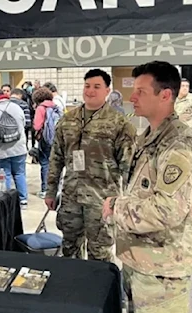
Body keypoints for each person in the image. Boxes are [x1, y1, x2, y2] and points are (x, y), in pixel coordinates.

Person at [102, 61, 192, 313]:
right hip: (141, 264)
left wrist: (116, 208)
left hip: (162, 273)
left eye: (140, 91)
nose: (131, 97)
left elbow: (167, 210)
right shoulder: (149, 138)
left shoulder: (179, 146)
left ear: (165, 96)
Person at [45, 69, 136, 262]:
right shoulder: (67, 120)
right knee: (69, 249)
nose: (90, 91)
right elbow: (56, 158)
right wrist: (51, 191)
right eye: (87, 86)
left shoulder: (119, 124)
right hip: (71, 197)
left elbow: (129, 167)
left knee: (100, 253)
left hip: (102, 200)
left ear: (107, 91)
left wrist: (127, 204)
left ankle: (101, 291)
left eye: (96, 87)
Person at [32, 87, 60, 199]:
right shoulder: (55, 106)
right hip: (56, 139)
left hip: (45, 140)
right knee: (56, 164)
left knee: (45, 164)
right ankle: (57, 188)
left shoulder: (41, 108)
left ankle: (45, 190)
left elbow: (37, 125)